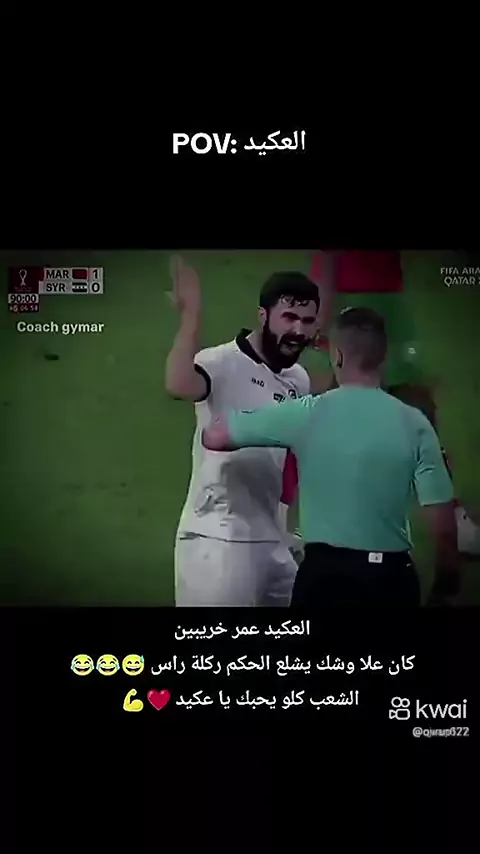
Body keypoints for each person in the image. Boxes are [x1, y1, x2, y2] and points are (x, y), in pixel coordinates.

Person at [203, 307, 461, 607]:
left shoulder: (307, 413)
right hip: (392, 579)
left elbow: (216, 436)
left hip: (324, 578)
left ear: (337, 356)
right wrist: (446, 583)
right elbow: (442, 523)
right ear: (383, 357)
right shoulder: (416, 424)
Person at [165, 256, 322, 606]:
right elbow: (178, 383)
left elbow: (291, 455)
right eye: (289, 318)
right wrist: (191, 315)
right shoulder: (220, 362)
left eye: (308, 321)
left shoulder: (298, 379)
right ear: (263, 316)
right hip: (217, 537)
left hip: (271, 538)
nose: (299, 331)